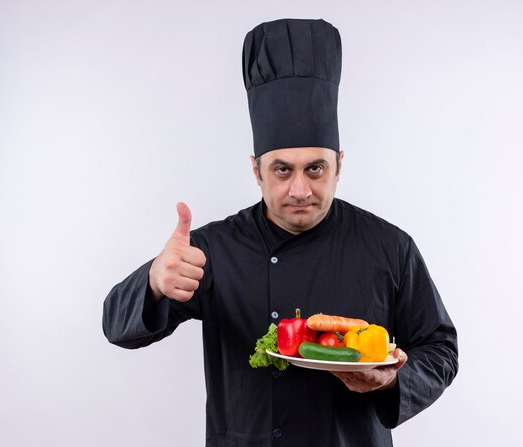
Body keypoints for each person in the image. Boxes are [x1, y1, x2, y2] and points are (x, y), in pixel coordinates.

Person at [103, 18, 458, 446]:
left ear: (339, 165)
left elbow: (440, 350)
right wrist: (154, 283)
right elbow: (114, 325)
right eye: (282, 170)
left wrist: (387, 383)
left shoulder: (389, 247)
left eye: (316, 168)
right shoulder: (214, 250)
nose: (300, 189)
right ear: (256, 170)